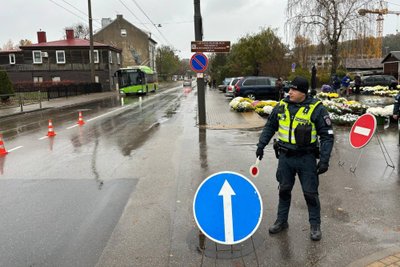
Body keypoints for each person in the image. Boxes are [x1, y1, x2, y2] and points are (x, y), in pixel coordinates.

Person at [255, 76, 334, 241]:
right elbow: (270, 126)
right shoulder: (282, 106)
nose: (289, 92)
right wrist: (261, 145)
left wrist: (325, 160)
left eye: (293, 89)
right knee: (284, 190)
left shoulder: (316, 109)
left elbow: (327, 136)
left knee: (310, 194)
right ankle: (281, 221)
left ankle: (315, 226)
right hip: (285, 158)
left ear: (303, 92)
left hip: (306, 158)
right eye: (289, 89)